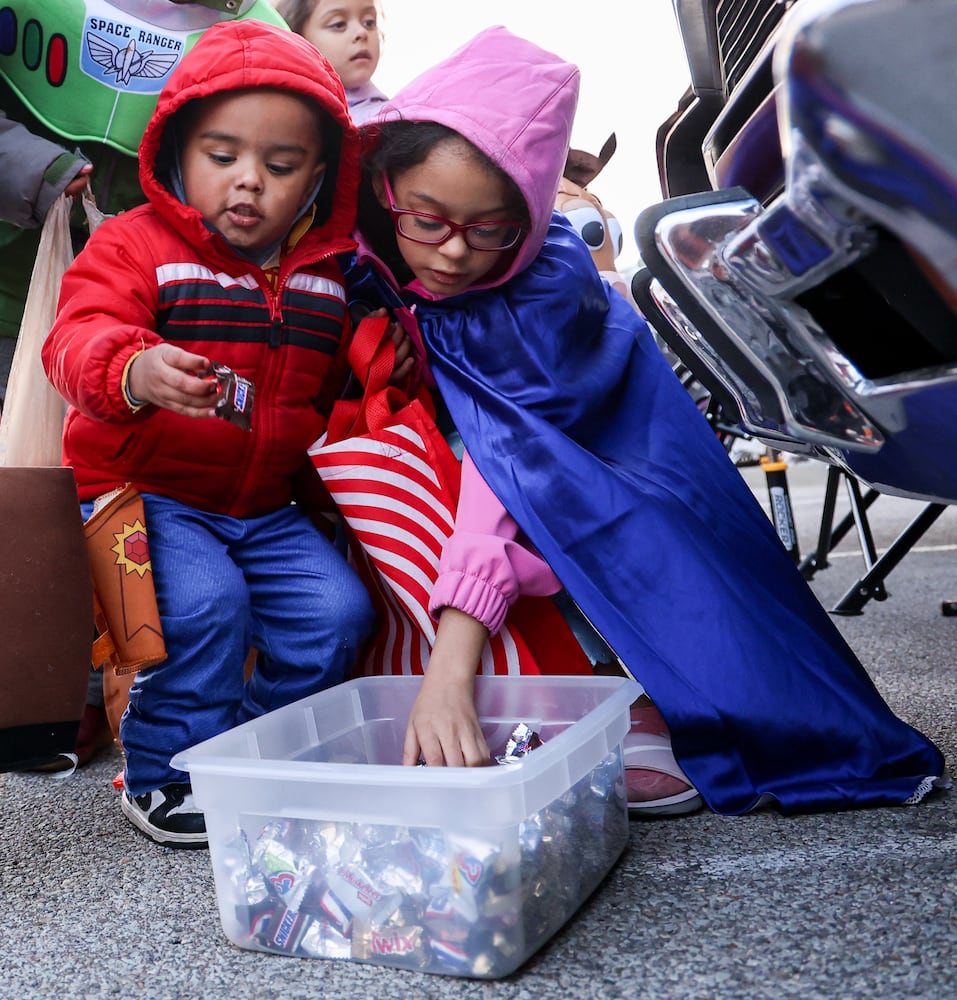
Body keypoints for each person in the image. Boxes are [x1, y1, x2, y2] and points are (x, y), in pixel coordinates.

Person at [344, 25, 948, 817]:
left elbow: (514, 476)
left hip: (604, 498)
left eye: (489, 229)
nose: (453, 254)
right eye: (426, 220)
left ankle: (628, 699)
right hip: (497, 512)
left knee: (659, 593)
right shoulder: (381, 267)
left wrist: (449, 675)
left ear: (527, 217)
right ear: (380, 189)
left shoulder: (536, 296)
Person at [42, 19, 376, 848]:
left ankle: (250, 753)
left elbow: (324, 399)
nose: (248, 183)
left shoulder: (327, 283)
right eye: (221, 157)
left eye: (280, 164)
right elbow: (73, 335)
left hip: (264, 505)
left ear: (319, 178)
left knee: (335, 614)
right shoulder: (136, 245)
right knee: (204, 608)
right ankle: (162, 775)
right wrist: (133, 369)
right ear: (176, 152)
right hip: (148, 494)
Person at [2, 0, 291, 770]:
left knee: (116, 507)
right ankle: (48, 694)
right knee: (31, 491)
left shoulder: (259, 26)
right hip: (23, 281)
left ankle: (98, 695)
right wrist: (42, 169)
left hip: (181, 305)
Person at [275, 0, 387, 125]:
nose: (361, 32)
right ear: (296, 36)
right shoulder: (287, 114)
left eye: (369, 22)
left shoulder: (394, 115)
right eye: (339, 24)